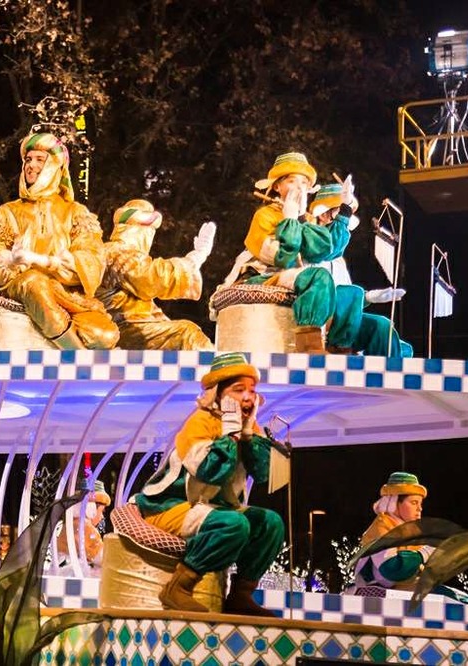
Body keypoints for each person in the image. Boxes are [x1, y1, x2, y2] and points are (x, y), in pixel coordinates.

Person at [132, 352, 284, 616]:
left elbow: (264, 473)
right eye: (239, 390)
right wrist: (231, 435)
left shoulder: (249, 427)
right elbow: (210, 471)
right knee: (234, 524)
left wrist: (247, 436)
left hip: (214, 506)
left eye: (252, 390)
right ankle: (178, 588)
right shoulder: (199, 422)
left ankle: (241, 595)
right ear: (218, 394)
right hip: (172, 506)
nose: (248, 397)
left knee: (270, 523)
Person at [0, 132, 119, 350]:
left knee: (103, 334)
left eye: (39, 159)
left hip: (65, 296)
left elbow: (92, 260)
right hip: (23, 286)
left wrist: (47, 262)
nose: (30, 165)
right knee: (34, 282)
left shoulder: (75, 212)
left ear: (56, 166)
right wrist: (9, 261)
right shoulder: (8, 212)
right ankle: (75, 355)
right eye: (27, 160)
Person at [220, 152, 347, 353]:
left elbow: (323, 251)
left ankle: (341, 348)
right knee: (318, 277)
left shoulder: (307, 219)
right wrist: (289, 220)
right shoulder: (264, 215)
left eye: (304, 183)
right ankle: (308, 344)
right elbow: (283, 259)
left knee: (348, 293)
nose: (299, 187)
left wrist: (302, 219)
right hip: (264, 276)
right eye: (291, 181)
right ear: (277, 186)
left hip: (294, 275)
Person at [306, 184, 413, 357]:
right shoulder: (310, 246)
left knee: (383, 328)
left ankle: (387, 378)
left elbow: (347, 300)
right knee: (353, 293)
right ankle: (340, 348)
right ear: (324, 215)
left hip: (342, 321)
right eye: (341, 213)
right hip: (321, 320)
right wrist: (358, 295)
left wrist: (369, 296)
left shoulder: (339, 261)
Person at [98, 199, 216, 350]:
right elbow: (153, 277)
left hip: (135, 326)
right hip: (123, 328)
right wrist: (196, 257)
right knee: (186, 334)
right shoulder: (116, 252)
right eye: (148, 232)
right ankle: (218, 373)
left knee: (182, 330)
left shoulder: (120, 252)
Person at [353, 472, 431, 591]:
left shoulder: (411, 531)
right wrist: (424, 553)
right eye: (414, 502)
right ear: (394, 502)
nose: (420, 508)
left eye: (420, 504)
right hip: (382, 595)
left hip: (404, 590)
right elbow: (391, 569)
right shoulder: (380, 530)